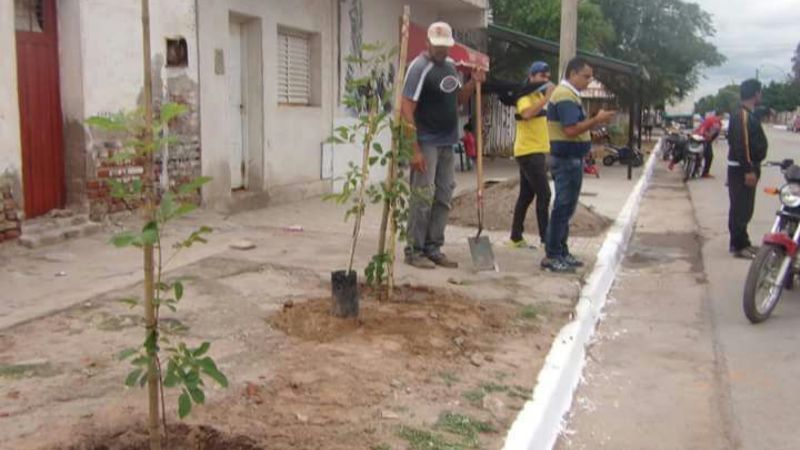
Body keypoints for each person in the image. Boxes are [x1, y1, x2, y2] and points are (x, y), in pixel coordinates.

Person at [401, 22, 486, 269]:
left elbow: (457, 100)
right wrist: (413, 149)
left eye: (445, 47)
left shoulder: (450, 67)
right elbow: (406, 108)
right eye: (437, 46)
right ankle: (414, 250)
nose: (441, 51)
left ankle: (433, 247)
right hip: (426, 141)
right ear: (427, 43)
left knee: (444, 196)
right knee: (422, 197)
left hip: (448, 141)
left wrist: (472, 84)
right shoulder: (419, 68)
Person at [541, 57, 615, 273]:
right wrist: (597, 119)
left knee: (567, 208)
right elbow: (571, 130)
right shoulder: (564, 95)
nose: (588, 81)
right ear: (572, 74)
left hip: (570, 159)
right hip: (565, 160)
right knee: (562, 207)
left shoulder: (570, 95)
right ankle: (553, 255)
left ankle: (561, 251)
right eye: (585, 76)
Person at [508, 61, 555, 249]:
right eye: (541, 76)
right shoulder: (524, 96)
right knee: (545, 194)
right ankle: (546, 239)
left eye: (547, 77)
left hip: (536, 151)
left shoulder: (536, 95)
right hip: (529, 152)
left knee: (526, 196)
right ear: (532, 77)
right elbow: (526, 114)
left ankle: (516, 237)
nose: (545, 80)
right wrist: (546, 98)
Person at [727, 79, 768, 259]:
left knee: (745, 207)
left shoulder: (748, 114)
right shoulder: (742, 116)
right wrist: (749, 169)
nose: (762, 95)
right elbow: (741, 145)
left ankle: (743, 241)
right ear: (756, 93)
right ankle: (738, 245)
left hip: (745, 167)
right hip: (742, 169)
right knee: (740, 208)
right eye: (761, 92)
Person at [695, 111, 722, 178]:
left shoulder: (719, 123)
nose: (721, 118)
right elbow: (702, 129)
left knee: (709, 156)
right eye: (721, 116)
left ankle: (705, 173)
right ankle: (696, 170)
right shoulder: (710, 120)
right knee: (699, 154)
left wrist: (712, 139)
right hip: (700, 138)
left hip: (708, 140)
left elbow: (717, 133)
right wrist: (704, 135)